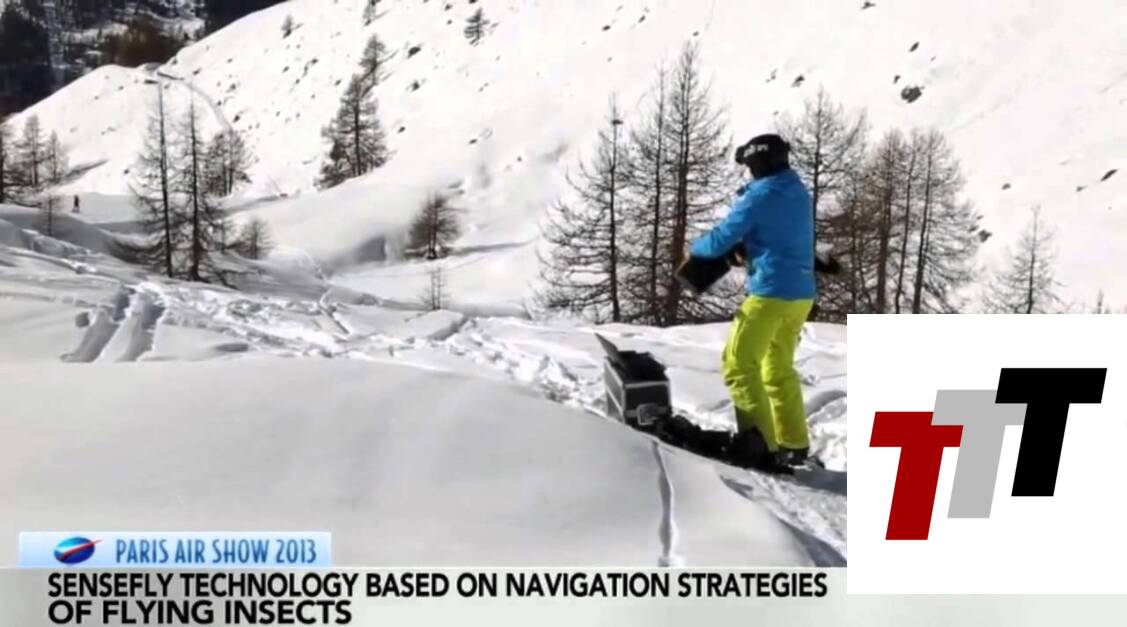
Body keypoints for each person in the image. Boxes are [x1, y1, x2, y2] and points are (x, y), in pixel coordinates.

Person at [687, 134, 815, 472]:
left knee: (739, 365)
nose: (749, 172)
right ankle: (793, 444)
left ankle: (761, 448)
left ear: (759, 163)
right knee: (778, 368)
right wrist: (754, 248)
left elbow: (720, 239)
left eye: (750, 165)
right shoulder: (798, 191)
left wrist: (694, 250)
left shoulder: (759, 196)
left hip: (770, 294)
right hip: (800, 294)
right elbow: (779, 234)